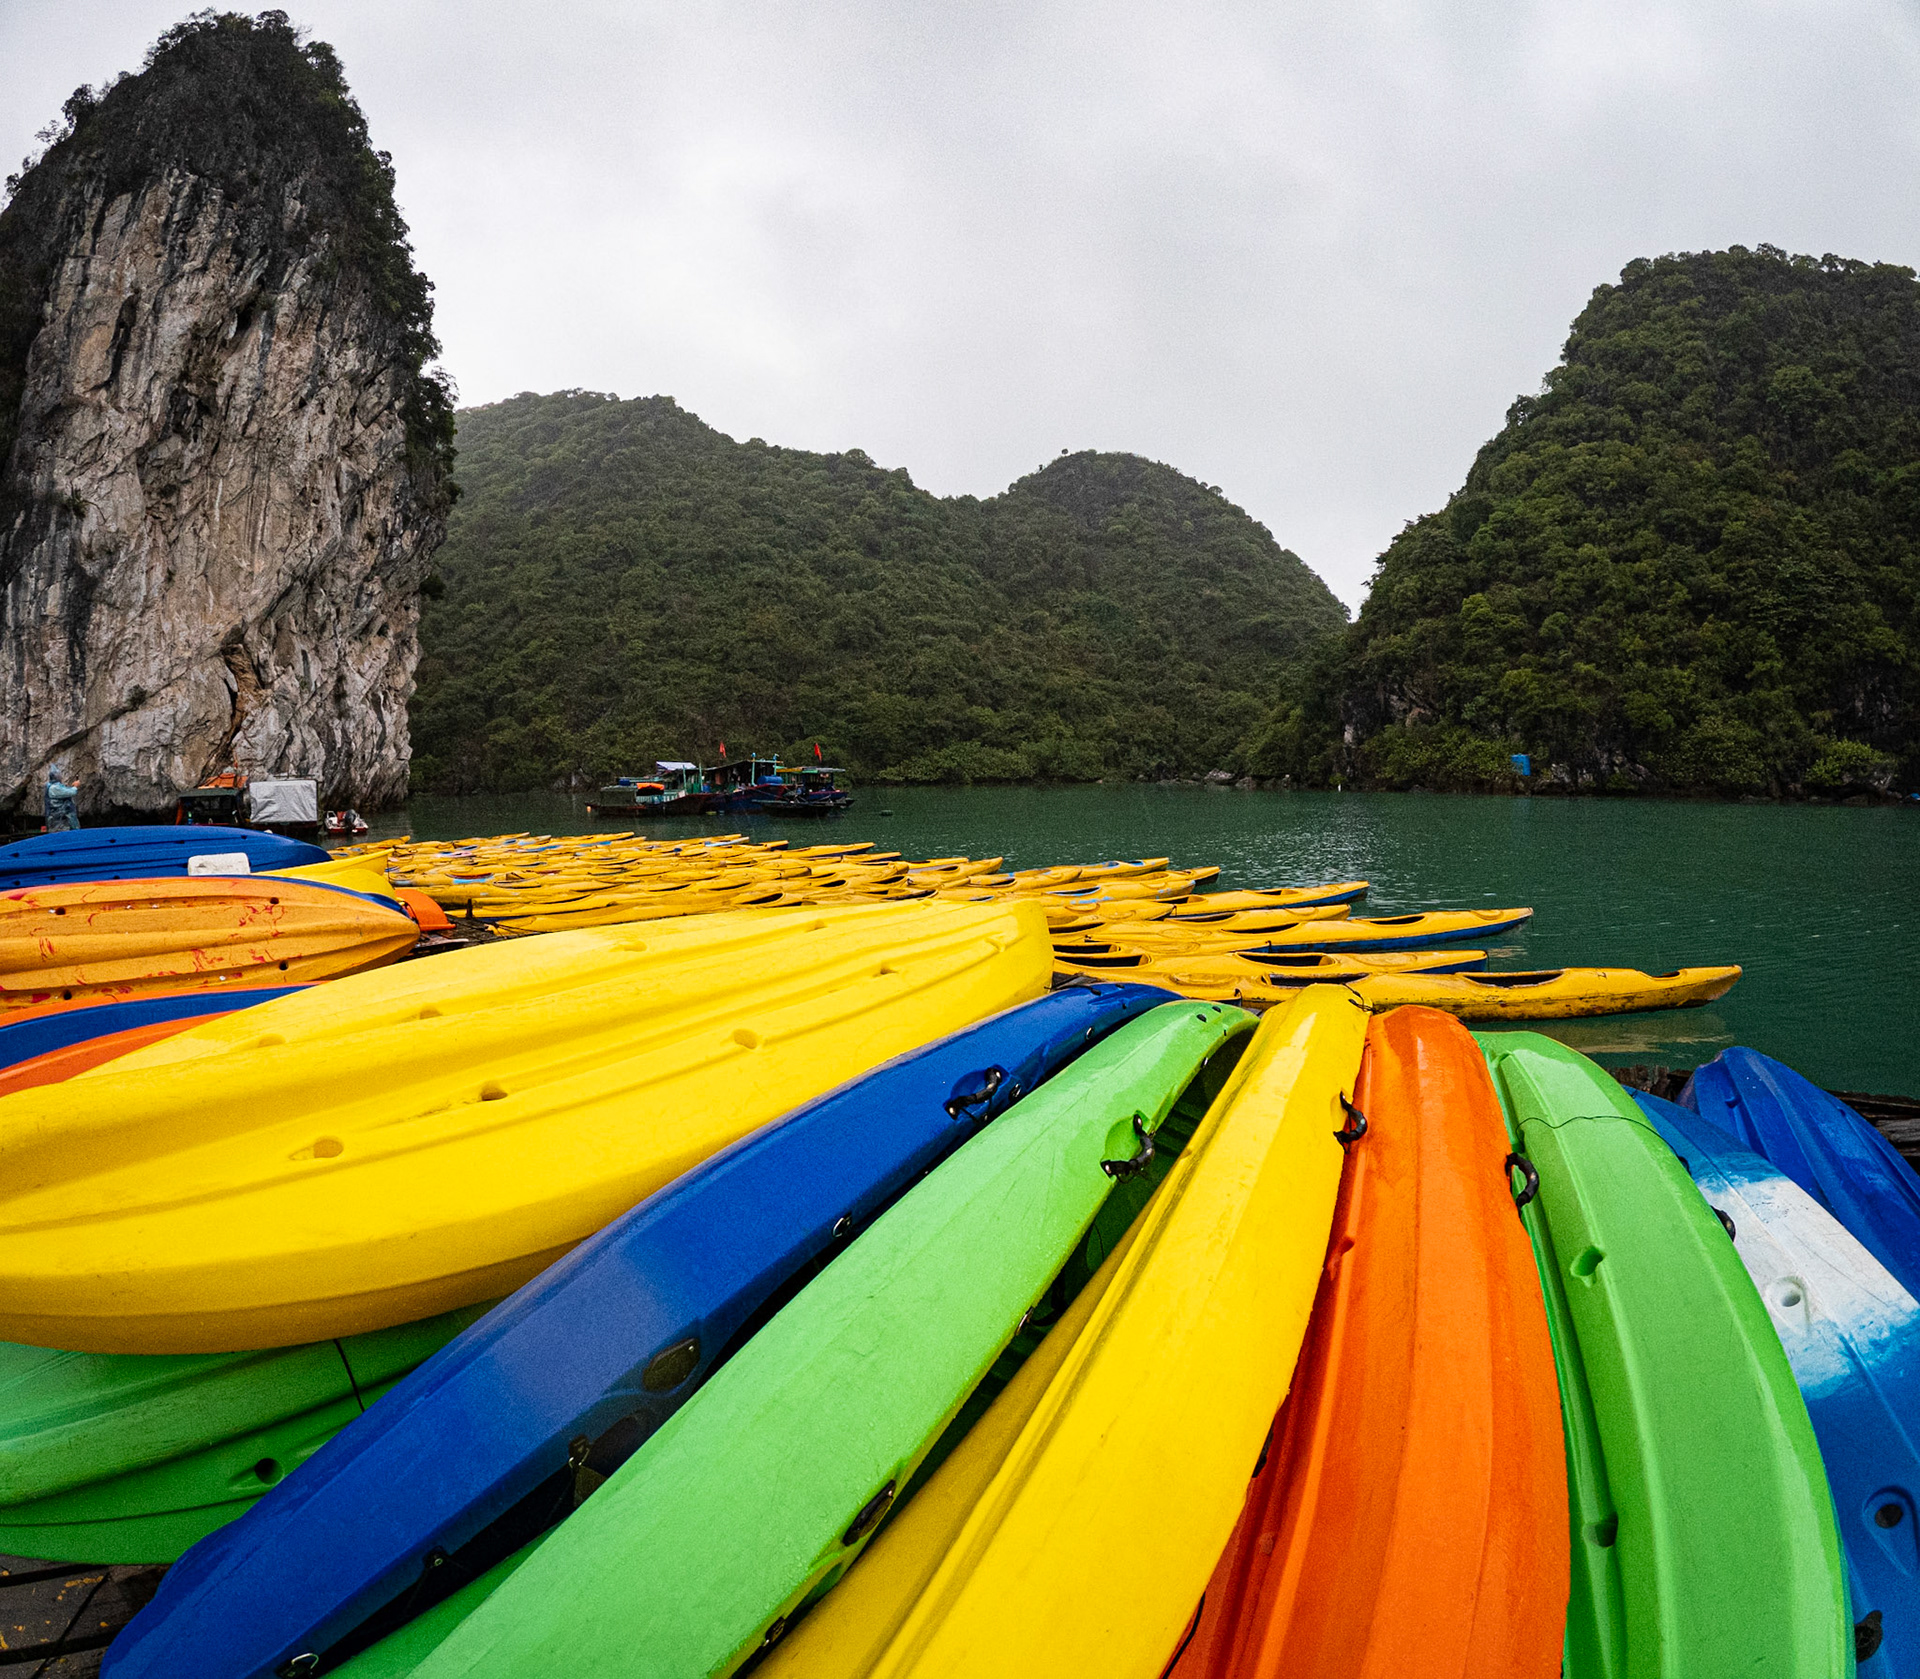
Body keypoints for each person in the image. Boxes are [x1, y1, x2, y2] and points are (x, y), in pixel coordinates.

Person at [43, 765, 79, 831]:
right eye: (59, 774)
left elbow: (64, 791)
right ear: (55, 776)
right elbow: (71, 792)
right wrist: (75, 786)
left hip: (61, 818)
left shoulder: (54, 786)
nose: (61, 776)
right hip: (59, 820)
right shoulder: (54, 788)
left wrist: (73, 787)